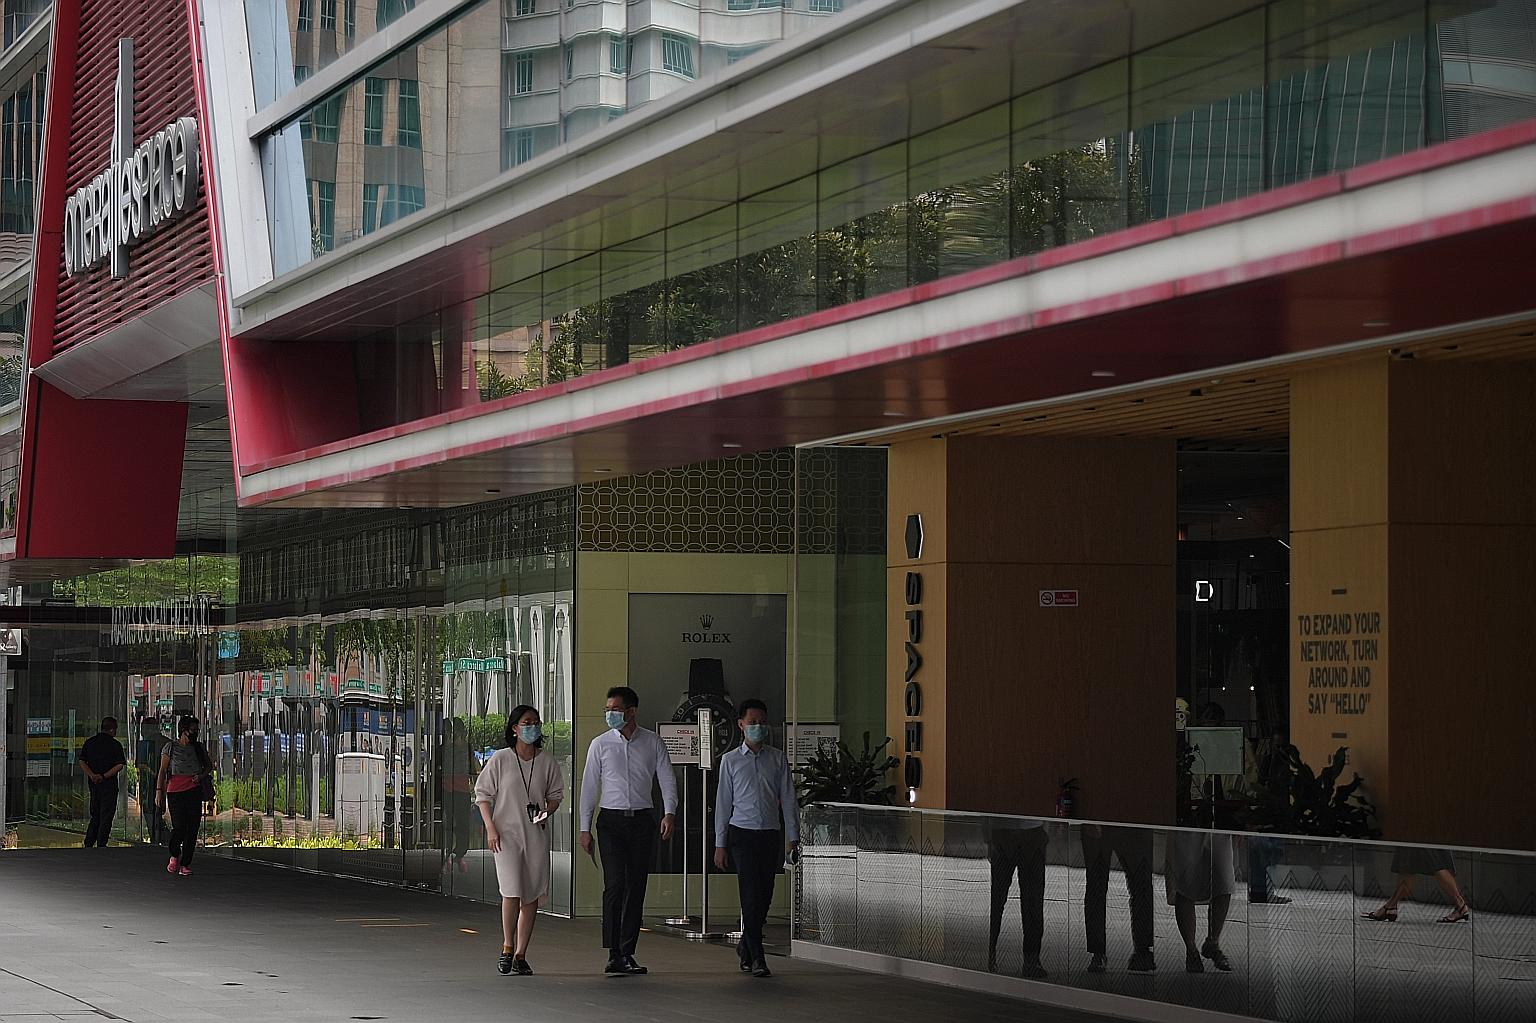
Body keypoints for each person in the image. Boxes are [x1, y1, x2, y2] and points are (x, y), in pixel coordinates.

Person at [579, 685, 678, 976]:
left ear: (631, 711)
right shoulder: (600, 744)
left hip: (642, 821)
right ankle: (613, 951)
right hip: (610, 822)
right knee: (615, 884)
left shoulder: (652, 742)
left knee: (636, 885)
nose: (610, 714)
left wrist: (669, 813)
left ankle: (627, 950)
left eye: (616, 710)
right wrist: (585, 829)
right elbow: (589, 788)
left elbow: (667, 780)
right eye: (607, 709)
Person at [712, 699, 800, 979]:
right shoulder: (730, 760)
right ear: (740, 725)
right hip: (742, 835)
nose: (758, 727)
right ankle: (758, 956)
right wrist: (720, 843)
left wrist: (793, 837)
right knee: (750, 895)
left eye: (762, 722)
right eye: (753, 722)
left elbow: (788, 798)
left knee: (764, 896)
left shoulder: (777, 758)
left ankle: (746, 946)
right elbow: (723, 804)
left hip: (769, 834)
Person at [475, 705, 564, 976]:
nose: (531, 727)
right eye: (526, 722)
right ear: (514, 728)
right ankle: (507, 945)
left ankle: (521, 953)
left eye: (535, 723)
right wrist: (491, 828)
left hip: (535, 833)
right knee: (511, 889)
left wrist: (546, 811)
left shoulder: (546, 761)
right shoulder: (501, 759)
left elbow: (556, 795)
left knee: (532, 893)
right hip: (506, 835)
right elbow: (483, 795)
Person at [1080, 823, 1155, 973]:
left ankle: (1140, 949)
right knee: (1099, 886)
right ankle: (1100, 951)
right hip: (1124, 822)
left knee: (1140, 886)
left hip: (1131, 822)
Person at [1166, 829, 1236, 973]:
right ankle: (1191, 950)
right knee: (1185, 884)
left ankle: (1212, 942)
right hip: (1188, 822)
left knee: (1224, 881)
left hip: (1218, 824)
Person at [987, 818, 1049, 979]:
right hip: (1023, 832)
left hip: (1012, 832)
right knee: (1031, 901)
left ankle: (994, 955)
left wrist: (988, 836)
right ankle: (1030, 960)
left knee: (1002, 900)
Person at [157, 715, 212, 877]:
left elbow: (208, 766)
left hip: (194, 789)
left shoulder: (198, 747)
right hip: (175, 791)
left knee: (192, 828)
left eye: (197, 730)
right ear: (183, 730)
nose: (195, 734)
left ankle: (185, 863)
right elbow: (162, 770)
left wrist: (200, 776)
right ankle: (175, 854)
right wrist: (159, 791)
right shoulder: (171, 747)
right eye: (192, 730)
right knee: (179, 826)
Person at [1363, 846, 1471, 923]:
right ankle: (1391, 905)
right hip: (1425, 825)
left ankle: (1460, 905)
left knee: (1431, 862)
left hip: (1419, 826)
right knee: (1411, 864)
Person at [79, 717, 126, 848]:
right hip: (109, 785)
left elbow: (82, 761)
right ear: (112, 729)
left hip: (94, 784)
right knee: (106, 815)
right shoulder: (115, 745)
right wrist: (104, 776)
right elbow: (120, 765)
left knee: (95, 814)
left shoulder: (90, 743)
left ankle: (89, 842)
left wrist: (92, 775)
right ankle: (101, 843)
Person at [136, 717, 170, 844]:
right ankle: (160, 837)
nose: (142, 731)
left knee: (151, 812)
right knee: (157, 812)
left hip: (152, 784)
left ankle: (158, 837)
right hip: (160, 783)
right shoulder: (166, 743)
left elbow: (140, 765)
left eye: (143, 728)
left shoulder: (147, 744)